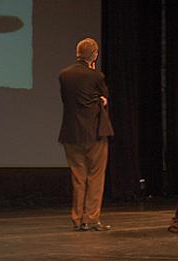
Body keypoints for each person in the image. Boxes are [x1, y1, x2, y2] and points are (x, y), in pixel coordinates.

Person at [58, 38, 114, 231]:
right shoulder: (96, 76)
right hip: (94, 133)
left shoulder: (64, 75)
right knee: (95, 177)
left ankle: (77, 218)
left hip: (71, 134)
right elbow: (104, 97)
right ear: (95, 55)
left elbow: (68, 100)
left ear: (77, 53)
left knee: (78, 177)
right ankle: (91, 219)